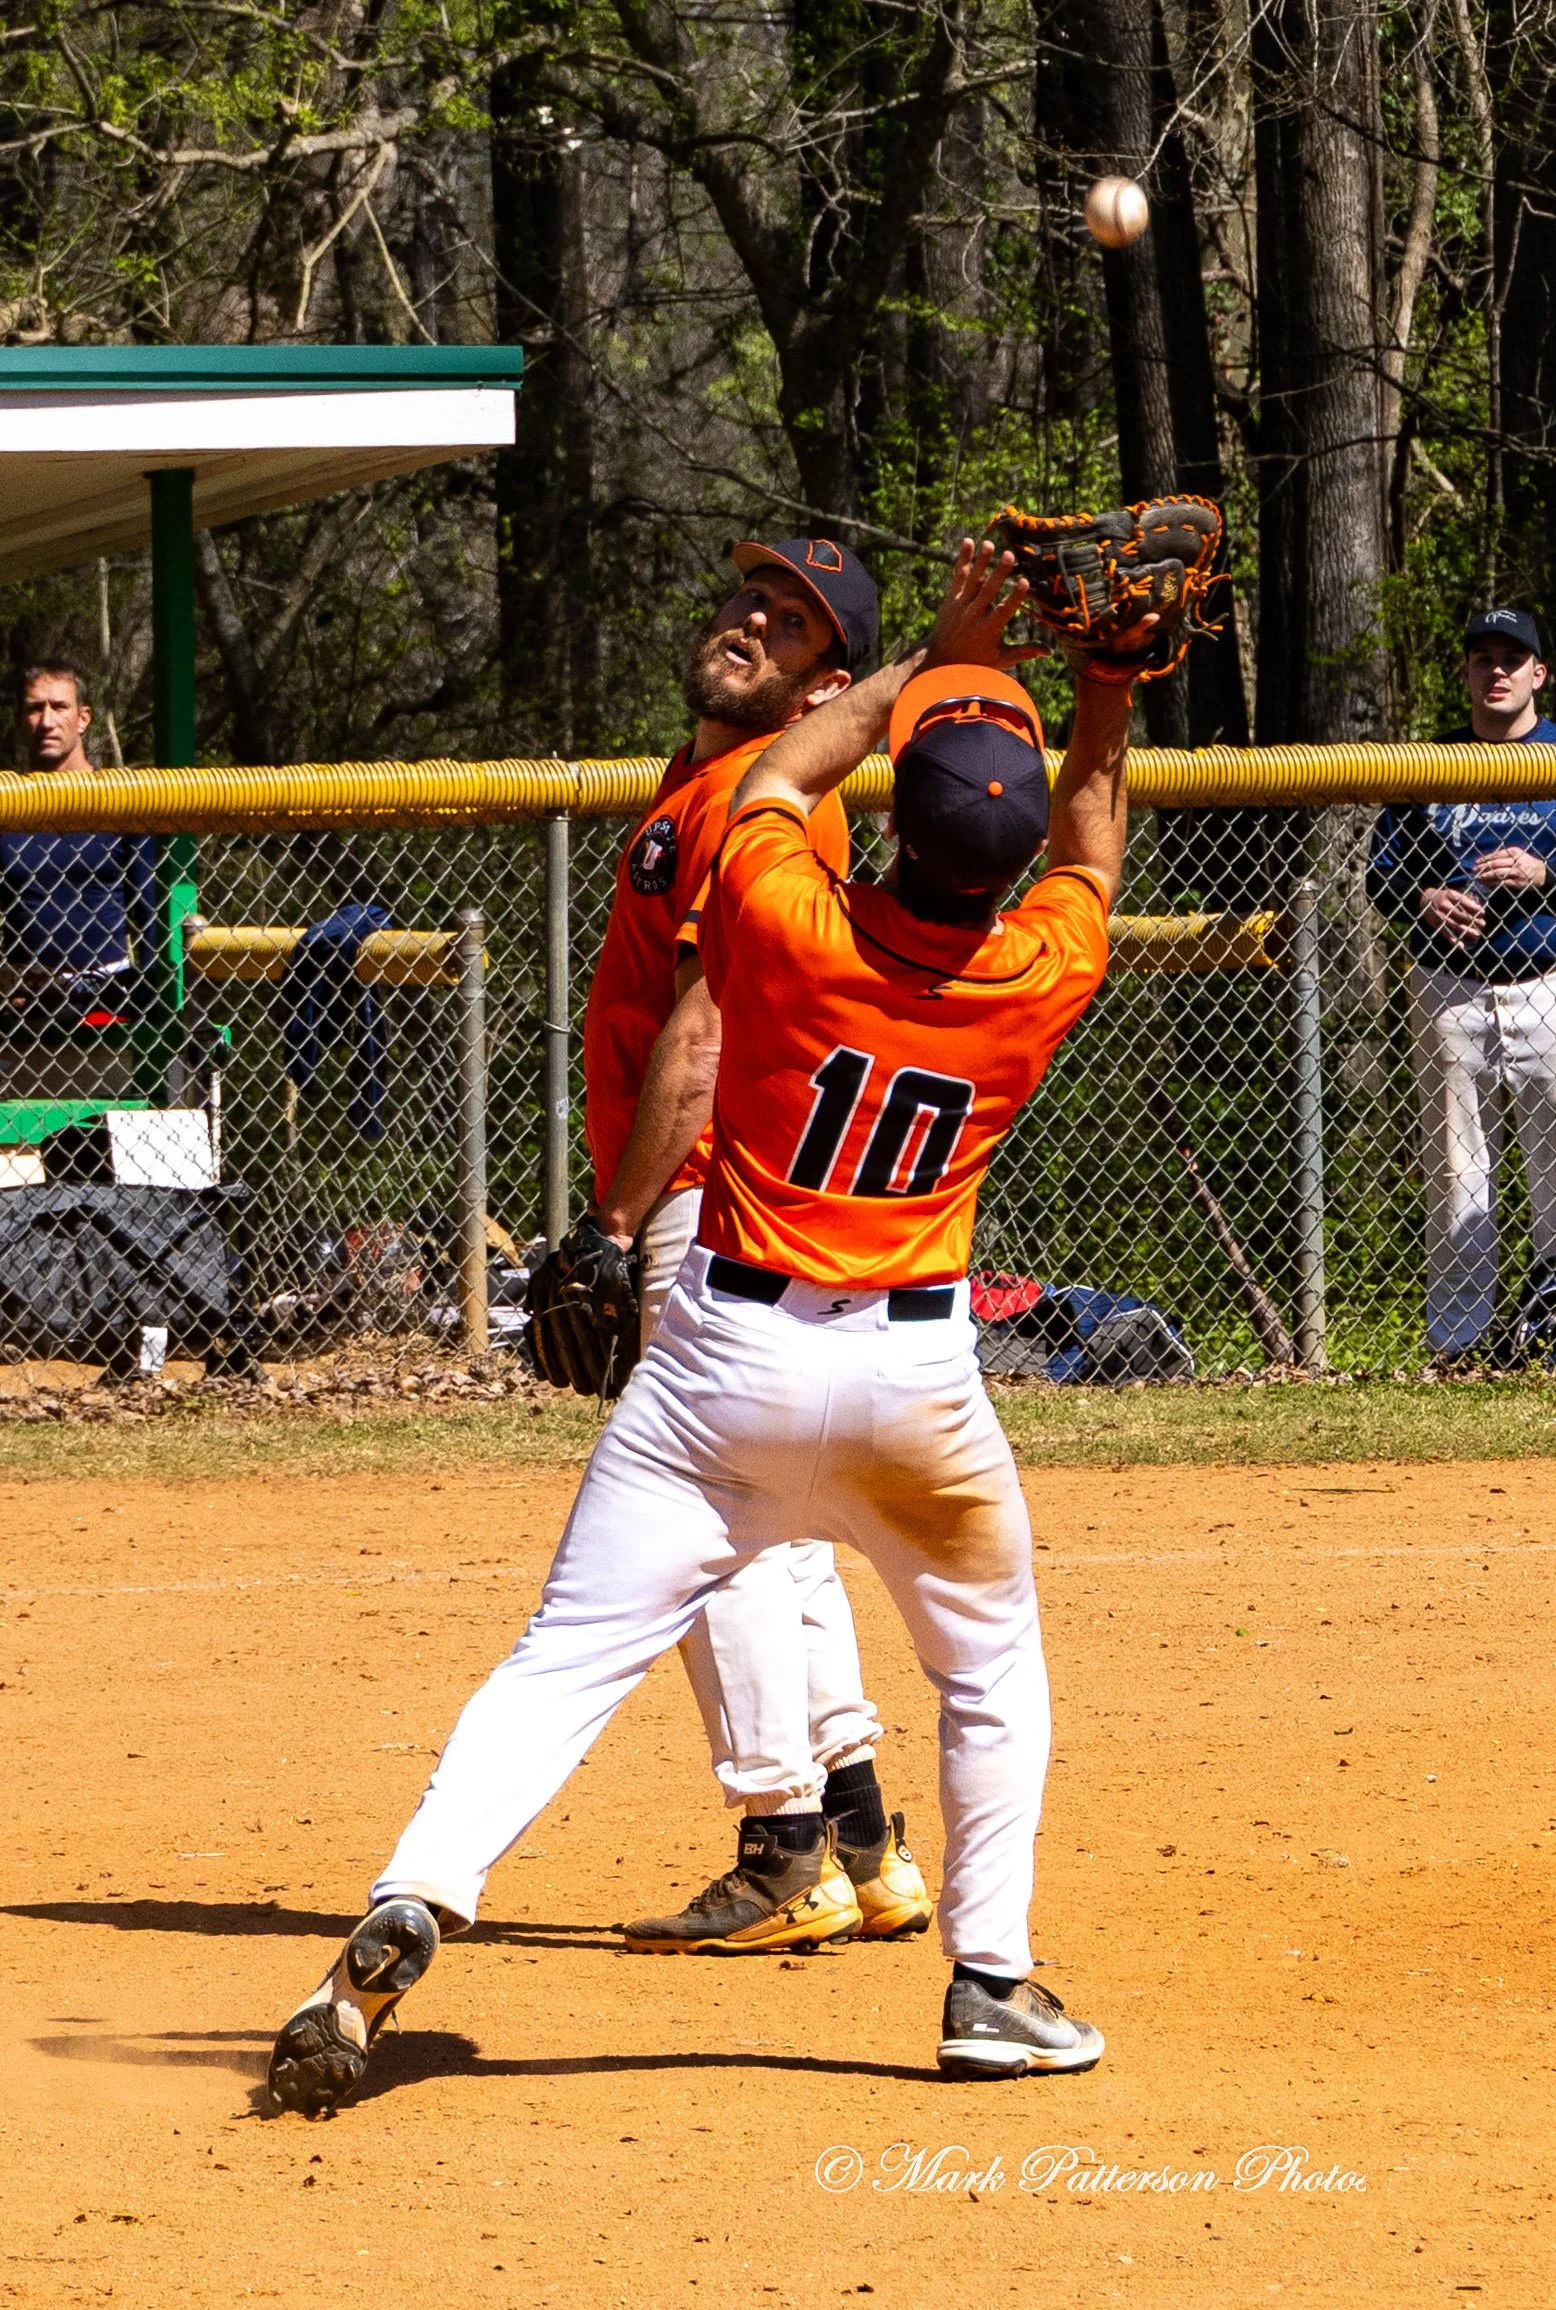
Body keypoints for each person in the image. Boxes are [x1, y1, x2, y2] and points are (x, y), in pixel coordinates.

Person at [267, 540, 1138, 2115]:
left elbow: (781, 777)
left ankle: (411, 1899)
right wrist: (1108, 682)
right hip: (922, 1380)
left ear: (894, 809)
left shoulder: (791, 913)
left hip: (723, 1364)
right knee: (993, 1669)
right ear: (998, 869)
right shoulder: (1036, 969)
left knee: (561, 1662)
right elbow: (1089, 835)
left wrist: (925, 662)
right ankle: (992, 1983)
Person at [582, 535, 930, 1952]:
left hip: (705, 1184)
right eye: (746, 598)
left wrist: (614, 1221)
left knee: (691, 1526)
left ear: (822, 690)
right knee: (771, 1527)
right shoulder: (702, 782)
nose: (748, 623)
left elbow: (710, 1027)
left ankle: (779, 1835)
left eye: (787, 625)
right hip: (721, 1192)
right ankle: (858, 1828)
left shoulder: (775, 809)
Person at [1368, 609, 1556, 1365]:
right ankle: (1460, 1344)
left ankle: (1548, 1330)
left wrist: (1548, 873)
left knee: (1555, 1160)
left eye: (1514, 658)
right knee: (1456, 1167)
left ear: (1540, 673)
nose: (1498, 671)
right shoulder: (1435, 762)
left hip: (1547, 977)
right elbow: (1382, 871)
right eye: (1483, 659)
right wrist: (1424, 896)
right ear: (1467, 674)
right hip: (1451, 987)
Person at [0, 661, 157, 1103]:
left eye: (59, 706)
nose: (46, 721)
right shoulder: (5, 806)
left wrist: (147, 999)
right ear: (19, 719)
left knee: (102, 1149)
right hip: (23, 1012)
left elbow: (151, 918)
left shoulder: (121, 801)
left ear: (83, 717)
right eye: (34, 709)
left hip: (107, 1008)